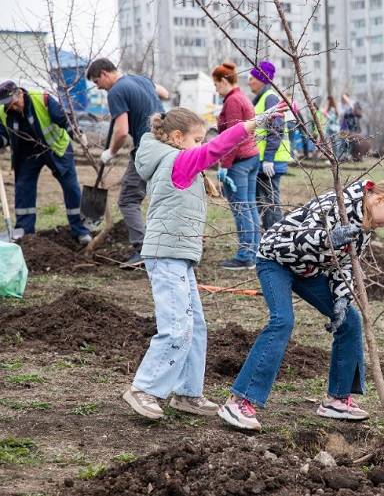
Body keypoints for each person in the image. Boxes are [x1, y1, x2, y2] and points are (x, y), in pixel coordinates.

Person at [121, 104, 284, 420]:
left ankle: (187, 393)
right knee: (177, 326)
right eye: (197, 139)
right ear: (179, 138)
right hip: (166, 255)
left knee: (195, 327)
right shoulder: (177, 160)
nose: (201, 144)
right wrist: (256, 122)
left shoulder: (179, 160)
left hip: (178, 256)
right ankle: (145, 389)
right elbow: (217, 147)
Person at [217, 179, 384, 431]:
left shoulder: (365, 225)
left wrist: (342, 298)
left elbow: (346, 264)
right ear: (379, 199)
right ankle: (239, 401)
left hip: (307, 271)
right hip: (276, 260)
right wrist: (329, 237)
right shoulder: (335, 204)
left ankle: (337, 399)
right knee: (282, 321)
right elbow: (298, 238)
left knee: (350, 320)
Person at [86, 58, 169, 267]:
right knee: (160, 196)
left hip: (147, 148)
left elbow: (122, 131)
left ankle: (143, 250)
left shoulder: (116, 92)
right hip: (167, 144)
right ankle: (164, 245)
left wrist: (111, 152)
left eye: (97, 81)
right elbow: (165, 93)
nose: (98, 87)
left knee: (128, 200)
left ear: (105, 74)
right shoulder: (140, 80)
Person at [0, 80, 91, 244]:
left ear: (20, 93)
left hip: (56, 148)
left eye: (13, 103)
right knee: (23, 188)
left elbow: (64, 119)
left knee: (71, 187)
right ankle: (25, 233)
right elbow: (4, 136)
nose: (12, 108)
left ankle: (81, 230)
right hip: (27, 154)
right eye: (8, 106)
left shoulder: (42, 99)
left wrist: (78, 133)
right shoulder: (3, 111)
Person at [212, 61, 261, 270]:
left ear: (224, 81)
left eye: (216, 84)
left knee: (241, 208)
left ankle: (245, 256)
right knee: (249, 206)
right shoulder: (242, 97)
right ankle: (255, 251)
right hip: (251, 157)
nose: (215, 88)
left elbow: (233, 137)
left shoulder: (232, 101)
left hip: (239, 161)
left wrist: (224, 165)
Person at [247, 60, 290, 230]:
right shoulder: (260, 99)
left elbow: (276, 128)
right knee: (264, 202)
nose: (249, 81)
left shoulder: (270, 98)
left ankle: (276, 238)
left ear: (262, 79)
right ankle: (269, 238)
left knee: (270, 202)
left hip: (271, 161)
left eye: (252, 78)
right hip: (263, 160)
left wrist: (269, 159)